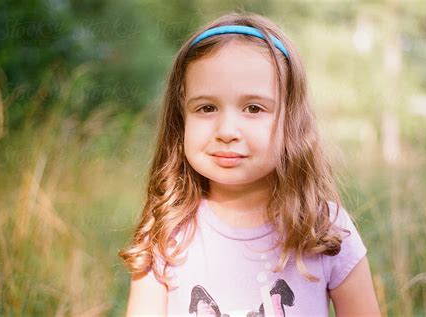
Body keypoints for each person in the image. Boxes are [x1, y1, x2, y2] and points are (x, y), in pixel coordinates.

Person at [119, 11, 380, 317]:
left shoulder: (323, 228)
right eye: (206, 107)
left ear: (291, 121)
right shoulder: (166, 232)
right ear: (181, 120)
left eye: (254, 108)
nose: (227, 131)